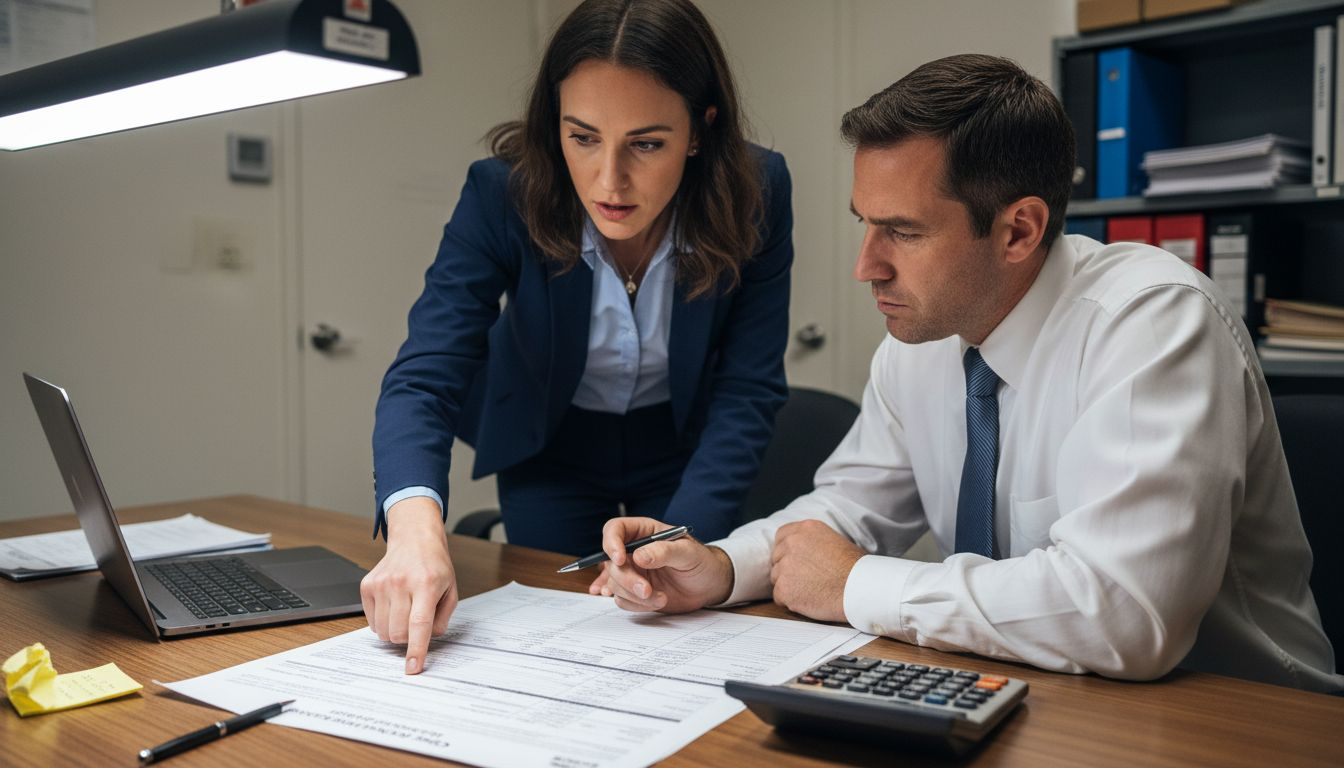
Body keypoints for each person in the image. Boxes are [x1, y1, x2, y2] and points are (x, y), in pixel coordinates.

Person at [597, 53, 1342, 693]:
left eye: (905, 231)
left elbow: (1124, 615)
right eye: (866, 222)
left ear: (1019, 229)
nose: (866, 266)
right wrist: (721, 567)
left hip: (1241, 720)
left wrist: (857, 583)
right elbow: (847, 513)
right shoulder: (921, 342)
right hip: (1043, 694)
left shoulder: (1153, 322)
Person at [363, 0, 793, 675]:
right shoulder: (501, 193)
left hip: (683, 444)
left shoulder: (757, 189)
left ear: (701, 129)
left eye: (646, 143)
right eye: (582, 137)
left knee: (668, 626)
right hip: (549, 447)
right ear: (553, 124)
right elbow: (425, 374)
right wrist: (416, 530)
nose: (608, 180)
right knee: (562, 635)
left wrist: (681, 538)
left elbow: (748, 386)